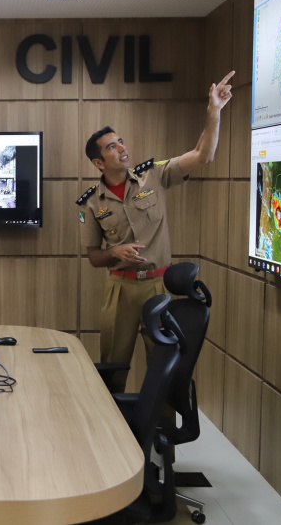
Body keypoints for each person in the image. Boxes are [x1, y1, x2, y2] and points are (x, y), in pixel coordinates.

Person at [79, 71, 235, 393]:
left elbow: (203, 155)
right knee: (113, 370)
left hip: (157, 286)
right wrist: (113, 253)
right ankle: (114, 439)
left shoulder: (154, 175)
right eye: (111, 146)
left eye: (120, 141)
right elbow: (93, 256)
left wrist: (214, 112)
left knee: (163, 369)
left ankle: (162, 441)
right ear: (98, 163)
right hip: (119, 291)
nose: (122, 147)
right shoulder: (90, 203)